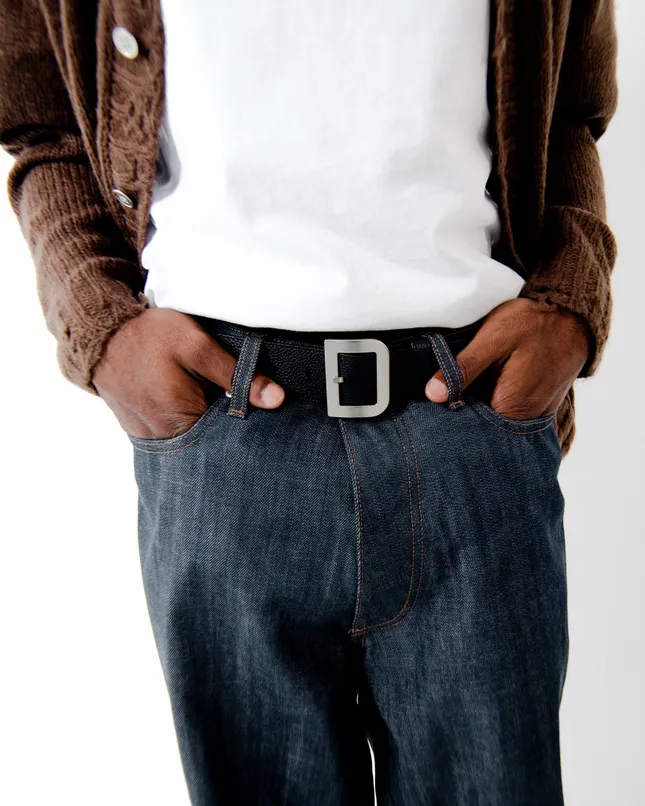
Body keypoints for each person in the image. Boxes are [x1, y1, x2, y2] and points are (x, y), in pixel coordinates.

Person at [0, 0, 618, 803]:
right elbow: (42, 125)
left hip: (472, 424)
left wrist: (571, 299)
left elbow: (569, 112)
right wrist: (99, 321)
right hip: (222, 433)